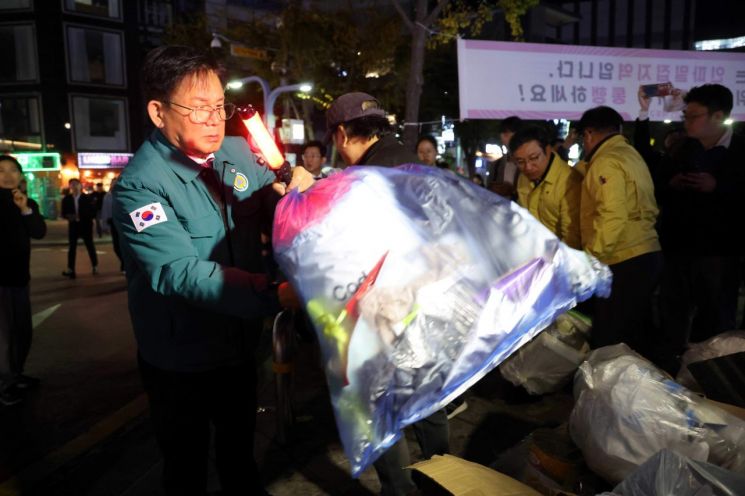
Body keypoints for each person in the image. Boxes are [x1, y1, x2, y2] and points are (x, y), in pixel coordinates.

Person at [111, 45, 313, 496]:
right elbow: (178, 271)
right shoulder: (139, 186)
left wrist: (298, 194)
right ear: (158, 112)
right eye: (199, 108)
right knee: (185, 467)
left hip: (239, 345)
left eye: (219, 106)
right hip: (179, 357)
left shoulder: (238, 153)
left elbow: (273, 203)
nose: (214, 118)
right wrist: (273, 294)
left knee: (240, 454)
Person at [326, 91, 450, 496]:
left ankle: (399, 489)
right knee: (427, 398)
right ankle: (444, 479)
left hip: (386, 307)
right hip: (428, 299)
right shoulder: (414, 161)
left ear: (342, 134)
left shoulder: (364, 179)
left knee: (375, 404)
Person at [651, 84, 745, 371]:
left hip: (720, 251)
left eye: (694, 116)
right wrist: (672, 184)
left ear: (718, 116)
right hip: (678, 248)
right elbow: (656, 186)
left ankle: (711, 376)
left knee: (715, 320)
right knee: (672, 315)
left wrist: (718, 187)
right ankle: (670, 374)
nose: (686, 121)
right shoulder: (683, 148)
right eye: (686, 115)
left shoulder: (741, 149)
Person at [575, 106, 662, 355]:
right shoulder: (630, 155)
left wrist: (591, 260)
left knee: (610, 340)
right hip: (645, 253)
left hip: (624, 258)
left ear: (589, 133)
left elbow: (612, 216)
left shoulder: (606, 162)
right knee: (635, 336)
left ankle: (610, 391)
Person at [0, 155, 46, 407]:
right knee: (3, 337)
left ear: (20, 175)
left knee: (22, 332)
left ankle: (15, 374)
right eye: (1, 170)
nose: (7, 175)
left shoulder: (28, 203)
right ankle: (4, 383)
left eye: (13, 170)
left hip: (20, 277)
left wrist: (25, 209)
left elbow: (39, 232)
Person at [511, 126, 582, 249]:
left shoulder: (569, 181)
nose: (528, 167)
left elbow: (572, 237)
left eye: (534, 158)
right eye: (520, 162)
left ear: (548, 151)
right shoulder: (524, 177)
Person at [61, 178, 98, 278]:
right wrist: (69, 216)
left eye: (76, 184)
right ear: (70, 187)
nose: (74, 187)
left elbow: (93, 212)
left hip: (85, 225)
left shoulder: (87, 198)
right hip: (73, 226)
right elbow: (63, 213)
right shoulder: (66, 199)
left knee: (89, 245)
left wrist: (83, 216)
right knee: (72, 248)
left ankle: (95, 265)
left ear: (80, 186)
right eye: (72, 185)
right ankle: (71, 269)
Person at [487, 116, 523, 198]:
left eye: (507, 134)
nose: (504, 137)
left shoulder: (529, 164)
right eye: (503, 134)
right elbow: (488, 193)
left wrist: (512, 190)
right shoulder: (496, 165)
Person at [100, 177, 124, 273]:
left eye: (116, 183)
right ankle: (123, 261)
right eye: (113, 183)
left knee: (124, 245)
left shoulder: (123, 195)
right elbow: (104, 211)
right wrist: (104, 225)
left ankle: (124, 264)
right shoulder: (107, 196)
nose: (114, 185)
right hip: (113, 223)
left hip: (123, 223)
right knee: (116, 246)